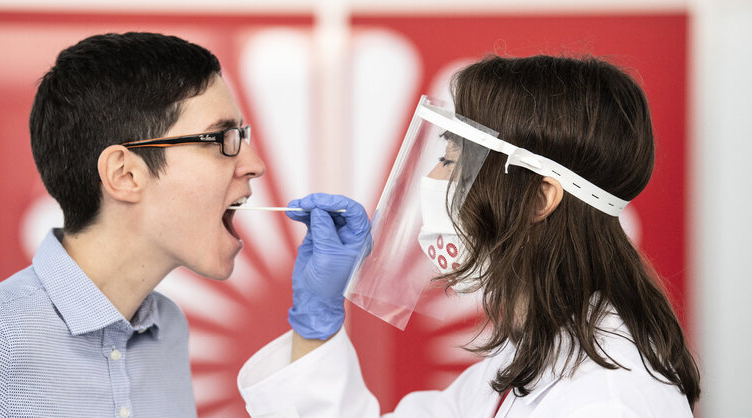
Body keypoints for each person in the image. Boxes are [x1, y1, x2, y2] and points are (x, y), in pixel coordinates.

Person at [237, 55, 700, 417]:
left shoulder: (605, 404)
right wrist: (315, 322)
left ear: (539, 199)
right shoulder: (531, 359)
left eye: (455, 160)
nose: (434, 181)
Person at [0, 32, 265, 416]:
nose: (254, 164)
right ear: (125, 174)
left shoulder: (169, 329)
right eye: (221, 138)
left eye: (241, 136)